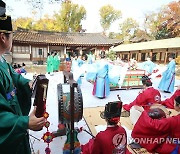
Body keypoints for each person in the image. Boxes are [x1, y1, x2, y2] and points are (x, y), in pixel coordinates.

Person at [0, 1, 45, 153]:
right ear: (3, 37)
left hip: (16, 128)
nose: (12, 39)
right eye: (11, 35)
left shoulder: (2, 61)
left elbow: (15, 78)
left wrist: (29, 84)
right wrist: (24, 122)